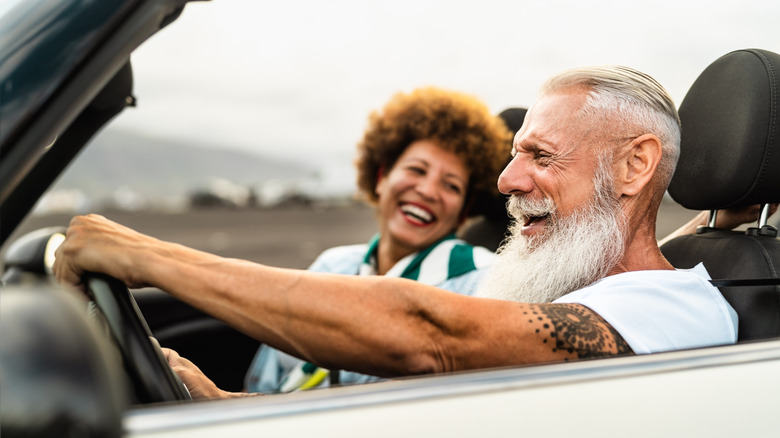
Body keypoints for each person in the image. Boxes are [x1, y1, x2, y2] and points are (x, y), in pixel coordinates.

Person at [53, 65, 739, 401]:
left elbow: (429, 337)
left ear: (634, 165)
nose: (504, 181)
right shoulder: (554, 298)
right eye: (511, 155)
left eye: (538, 155)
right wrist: (224, 406)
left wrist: (143, 254)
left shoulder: (676, 307)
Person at [244, 87, 511, 393]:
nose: (427, 191)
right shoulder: (331, 265)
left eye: (450, 185)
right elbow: (260, 387)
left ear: (463, 212)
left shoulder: (484, 282)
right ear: (382, 176)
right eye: (416, 169)